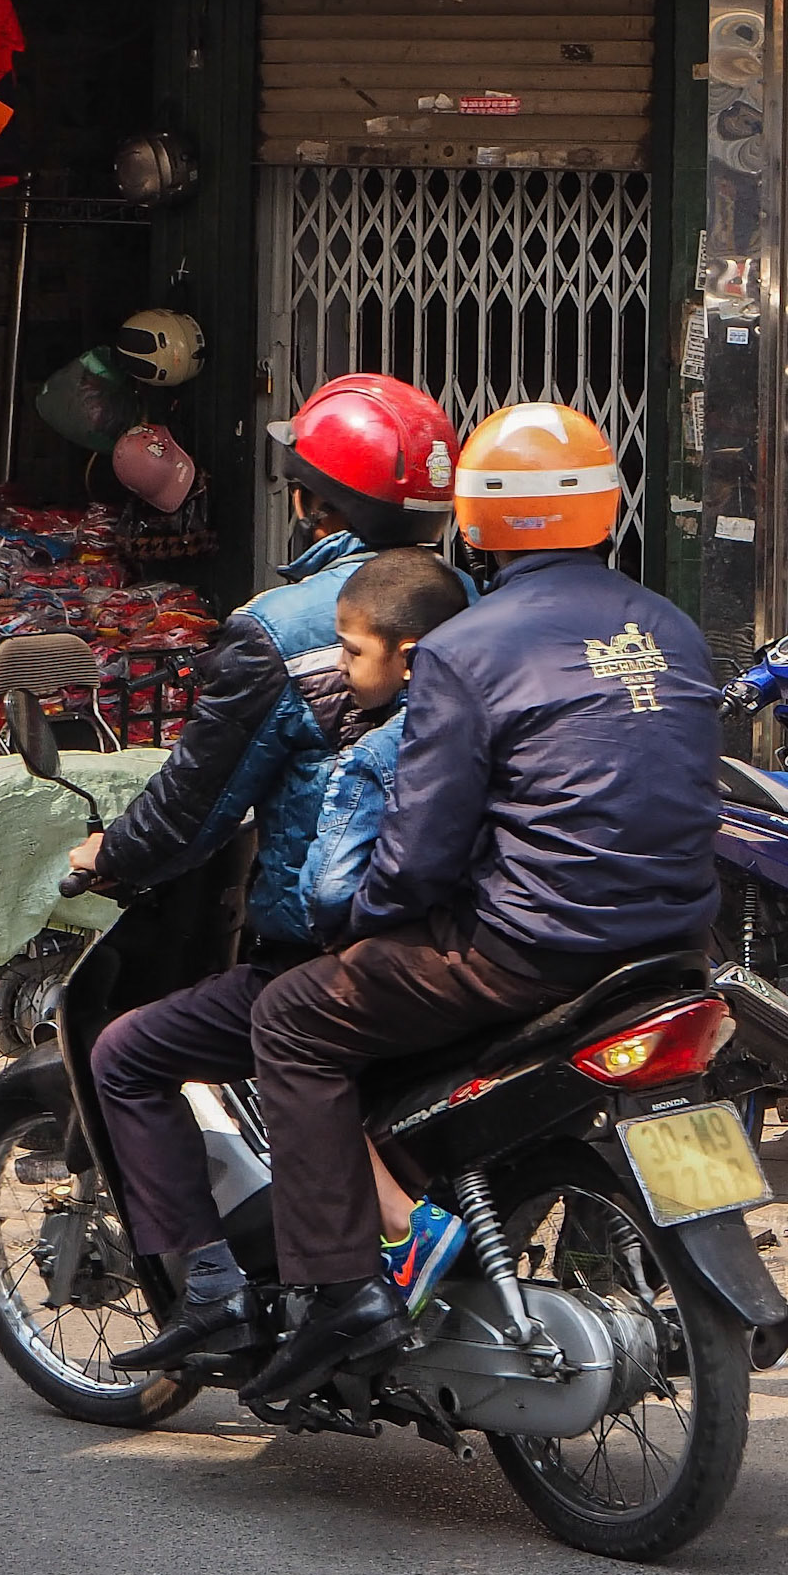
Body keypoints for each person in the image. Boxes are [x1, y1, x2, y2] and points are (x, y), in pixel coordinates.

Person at [240, 403, 722, 1406]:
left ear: (477, 519)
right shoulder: (669, 624)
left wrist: (355, 918)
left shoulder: (466, 646)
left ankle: (341, 1291)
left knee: (289, 1017)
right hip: (676, 944)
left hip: (528, 952)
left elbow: (417, 855)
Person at [84, 374, 462, 1373]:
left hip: (327, 944)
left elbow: (194, 806)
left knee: (128, 1053)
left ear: (307, 500)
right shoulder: (467, 606)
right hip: (460, 934)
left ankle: (218, 1292)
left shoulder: (282, 625)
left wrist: (108, 854)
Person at [297, 546, 471, 1315]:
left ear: (407, 657)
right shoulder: (493, 716)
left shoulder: (377, 749)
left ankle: (391, 1237)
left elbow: (330, 887)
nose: (339, 667)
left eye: (351, 650)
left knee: (285, 1025)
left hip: (452, 954)